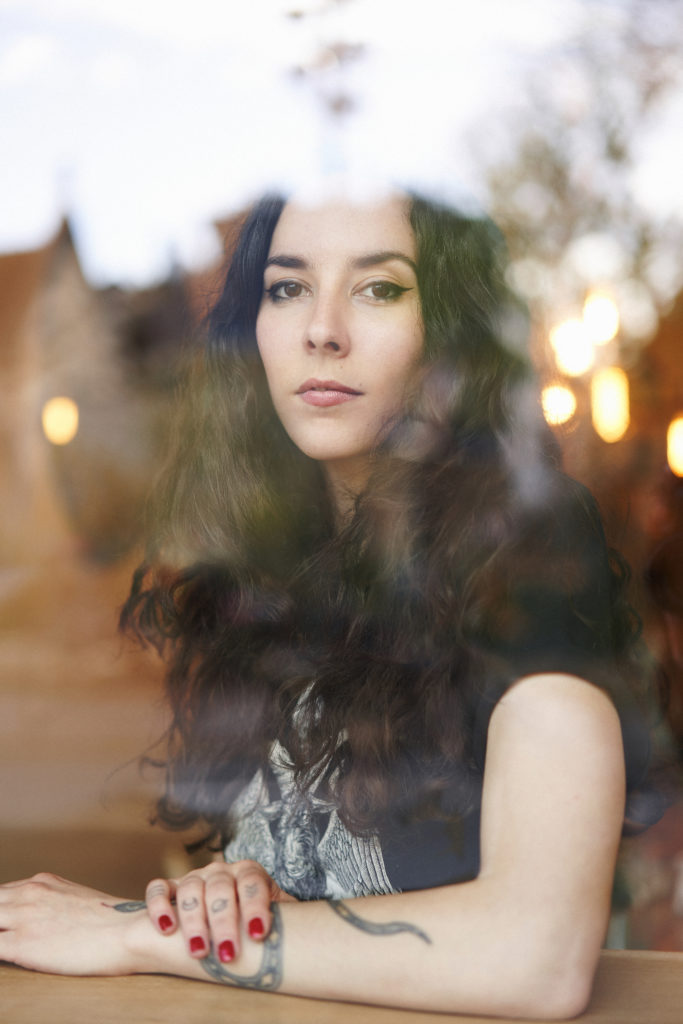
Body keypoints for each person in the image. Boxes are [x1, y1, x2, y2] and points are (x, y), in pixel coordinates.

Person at [0, 184, 657, 1018]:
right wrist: (234, 896)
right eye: (287, 287)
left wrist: (139, 934)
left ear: (449, 334)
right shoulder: (273, 586)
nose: (321, 330)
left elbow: (536, 956)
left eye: (378, 288)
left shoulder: (525, 556)